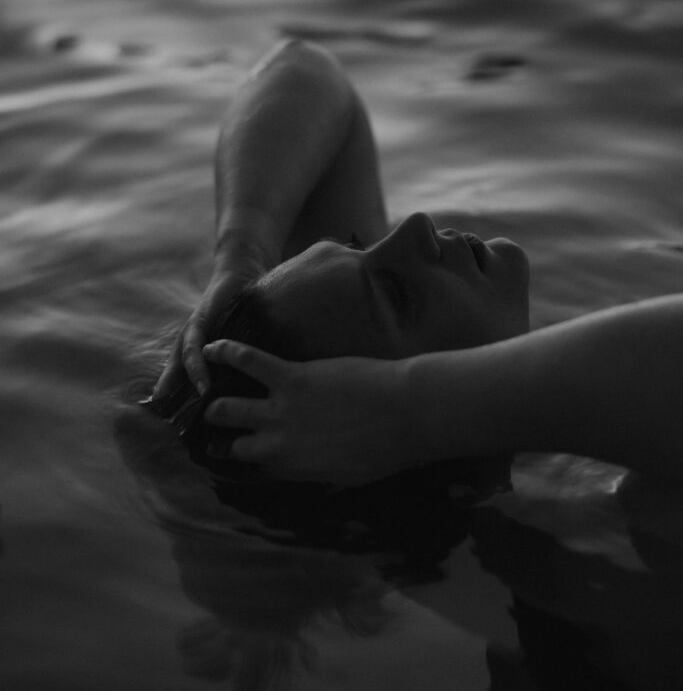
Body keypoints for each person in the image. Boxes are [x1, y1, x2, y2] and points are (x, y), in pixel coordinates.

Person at [152, 39, 683, 486]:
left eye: (356, 244)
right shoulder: (611, 521)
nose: (415, 228)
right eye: (398, 296)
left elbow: (306, 70)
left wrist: (242, 253)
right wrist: (404, 410)